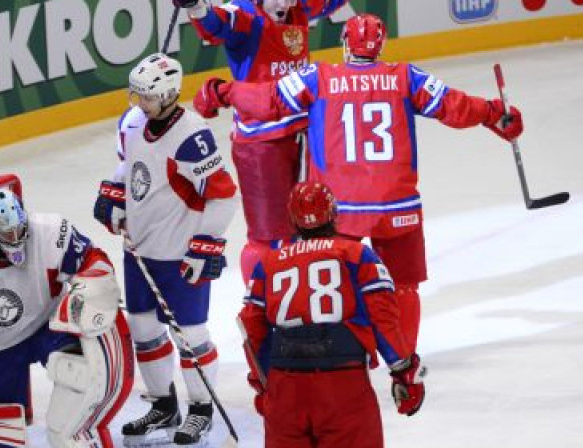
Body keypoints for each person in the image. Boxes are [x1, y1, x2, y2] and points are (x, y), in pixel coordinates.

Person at [193, 13, 525, 352]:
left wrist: (224, 91)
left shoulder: (319, 77)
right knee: (404, 287)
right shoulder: (405, 76)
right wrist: (494, 113)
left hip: (341, 208)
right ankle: (405, 360)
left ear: (345, 44)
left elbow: (269, 100)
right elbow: (453, 106)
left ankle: (352, 356)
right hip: (398, 205)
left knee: (340, 282)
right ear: (381, 46)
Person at [93, 53, 238, 445]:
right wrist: (114, 194)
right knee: (144, 330)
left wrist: (205, 246)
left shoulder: (193, 136)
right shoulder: (134, 123)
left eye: (147, 97)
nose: (138, 104)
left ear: (170, 94)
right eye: (136, 95)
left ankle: (201, 408)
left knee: (189, 335)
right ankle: (164, 404)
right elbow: (132, 168)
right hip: (139, 250)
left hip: (178, 255)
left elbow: (223, 196)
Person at [239, 181, 426, 448]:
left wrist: (262, 382)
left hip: (285, 386)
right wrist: (403, 371)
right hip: (342, 385)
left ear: (293, 220)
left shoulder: (268, 262)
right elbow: (382, 316)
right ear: (334, 213)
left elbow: (251, 326)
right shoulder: (358, 254)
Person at [176, 0, 348, 281]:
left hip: (304, 135)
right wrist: (196, 6)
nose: (284, 4)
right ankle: (261, 303)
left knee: (312, 223)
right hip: (261, 144)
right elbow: (216, 22)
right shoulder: (244, 14)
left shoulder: (300, 8)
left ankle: (304, 292)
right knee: (268, 236)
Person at [0, 188, 134, 448]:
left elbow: (96, 260)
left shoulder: (50, 232)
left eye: (19, 229)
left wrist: (89, 285)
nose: (16, 238)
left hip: (48, 325)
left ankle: (82, 437)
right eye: (7, 233)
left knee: (78, 382)